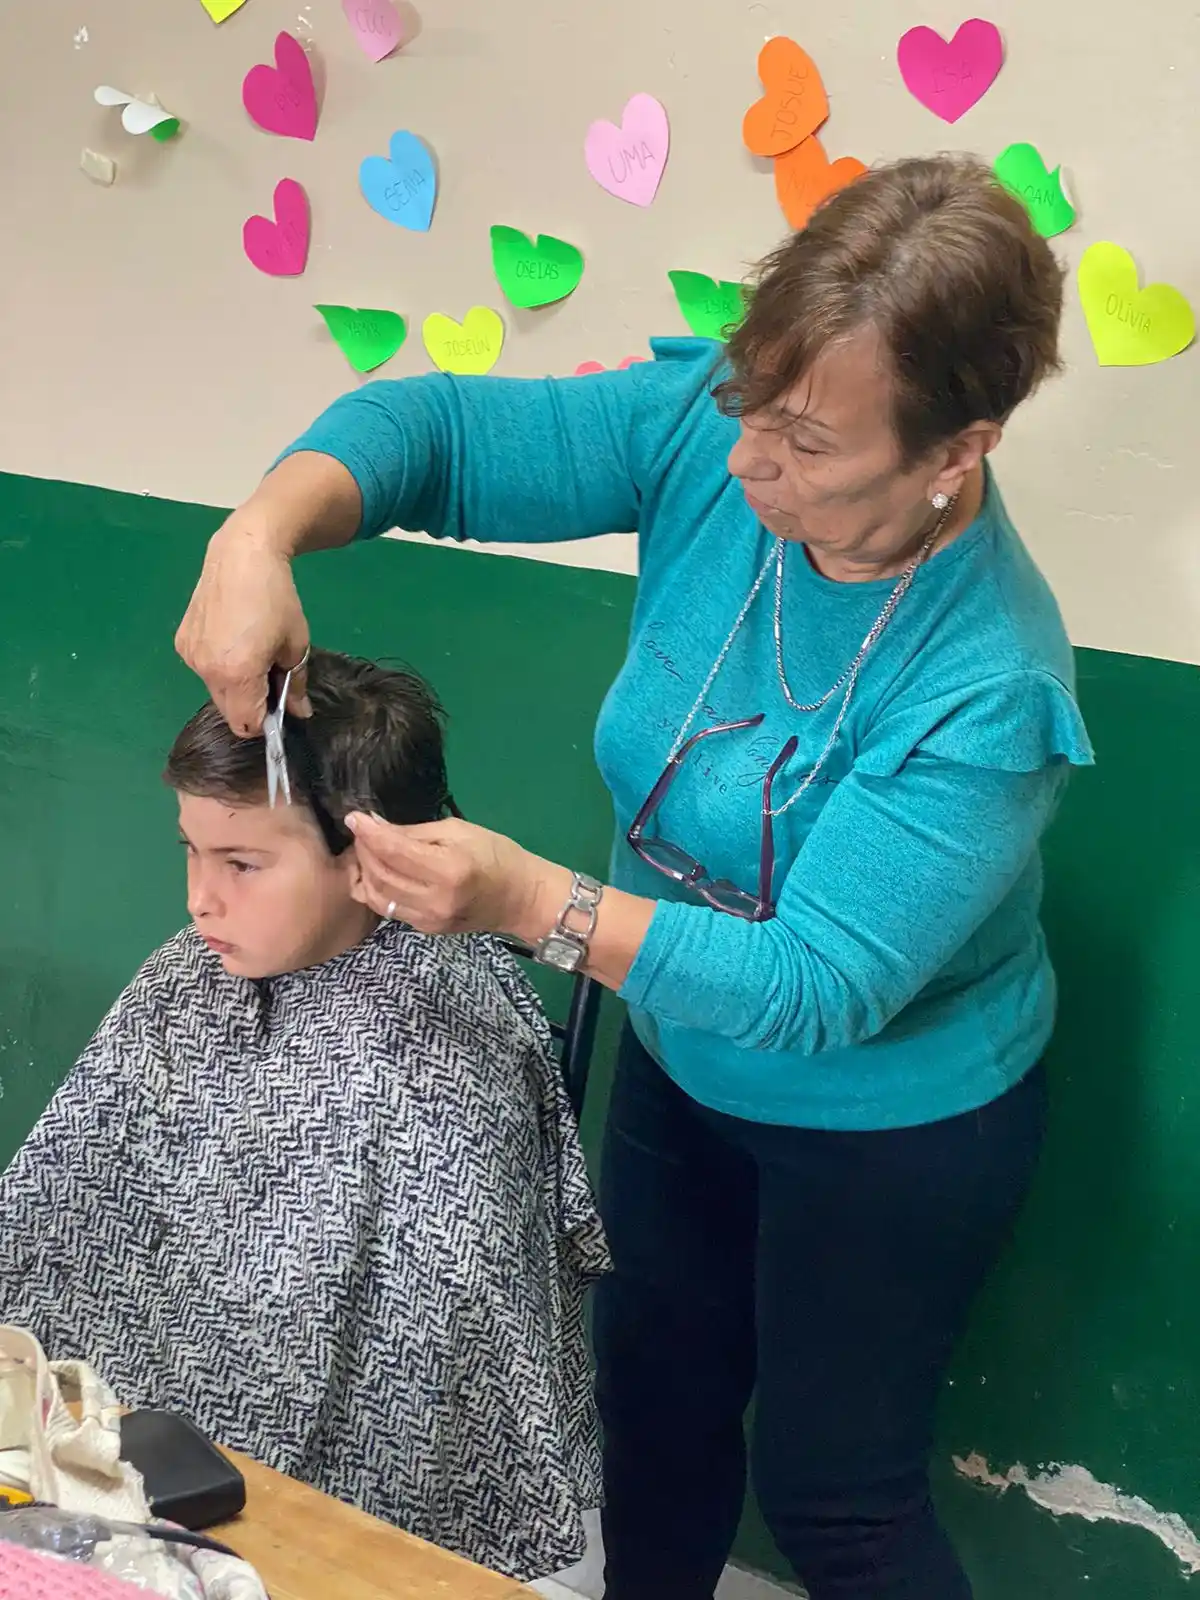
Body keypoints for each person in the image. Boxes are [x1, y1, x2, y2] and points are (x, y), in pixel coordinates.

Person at [174, 155, 1094, 1599]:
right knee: (651, 1418)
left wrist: (530, 905)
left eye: (804, 444)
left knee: (833, 1495)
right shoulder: (710, 430)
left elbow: (818, 986)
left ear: (952, 454)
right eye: (749, 403)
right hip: (682, 1066)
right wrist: (261, 530)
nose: (743, 466)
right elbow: (437, 432)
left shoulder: (988, 683)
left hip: (894, 1129)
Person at [0, 651, 608, 1584]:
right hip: (139, 1416)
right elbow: (54, 1201)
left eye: (242, 862)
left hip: (366, 1493)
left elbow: (447, 1335)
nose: (201, 896)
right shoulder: (188, 974)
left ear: (379, 859)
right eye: (190, 851)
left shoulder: (449, 1035)